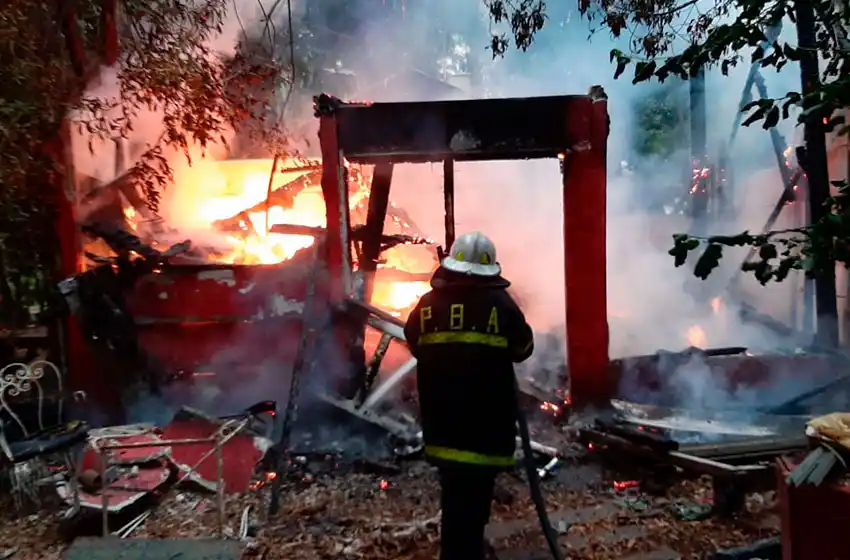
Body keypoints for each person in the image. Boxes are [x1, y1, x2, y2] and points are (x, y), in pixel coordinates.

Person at [404, 231, 534, 560]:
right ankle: (469, 550)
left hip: (443, 423)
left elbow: (415, 342)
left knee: (453, 495)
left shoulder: (428, 305)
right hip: (486, 427)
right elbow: (523, 348)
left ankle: (457, 550)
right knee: (476, 497)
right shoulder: (501, 306)